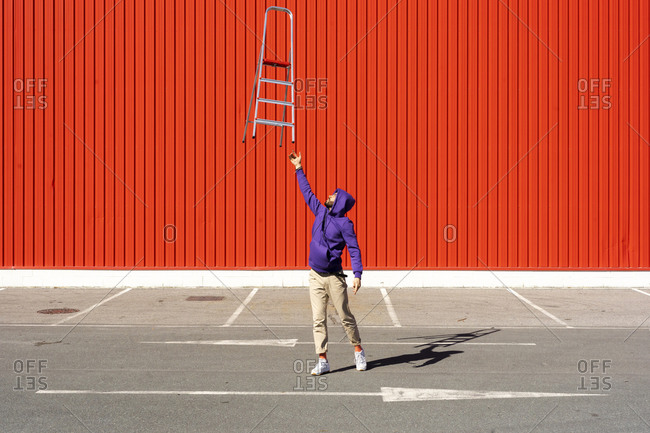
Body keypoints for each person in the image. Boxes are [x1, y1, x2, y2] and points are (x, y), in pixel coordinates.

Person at [289, 150, 366, 375]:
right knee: (318, 319)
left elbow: (354, 248)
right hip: (315, 275)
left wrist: (358, 274)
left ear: (339, 201)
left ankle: (358, 351)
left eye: (333, 195)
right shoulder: (320, 211)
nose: (329, 195)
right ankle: (322, 359)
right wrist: (298, 168)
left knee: (344, 316)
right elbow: (307, 192)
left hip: (334, 277)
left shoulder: (345, 224)